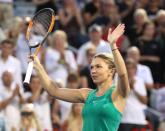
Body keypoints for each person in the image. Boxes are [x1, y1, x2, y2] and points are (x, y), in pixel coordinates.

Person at [30, 24, 130, 131]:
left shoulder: (118, 93)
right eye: (92, 67)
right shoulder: (86, 94)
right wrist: (38, 67)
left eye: (98, 67)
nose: (93, 71)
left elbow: (123, 74)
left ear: (111, 71)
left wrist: (113, 45)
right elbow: (53, 91)